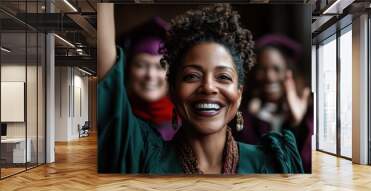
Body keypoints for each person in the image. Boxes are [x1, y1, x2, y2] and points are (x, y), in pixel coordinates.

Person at [97, 4, 304, 174]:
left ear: (239, 94)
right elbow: (109, 86)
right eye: (191, 76)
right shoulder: (142, 154)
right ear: (173, 90)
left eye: (223, 77)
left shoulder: (272, 163)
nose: (208, 87)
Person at [232, 34, 313, 173]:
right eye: (263, 69)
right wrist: (249, 118)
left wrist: (297, 124)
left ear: (289, 73)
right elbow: (242, 162)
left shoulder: (308, 110)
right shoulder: (242, 110)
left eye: (276, 69)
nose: (270, 77)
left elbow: (306, 164)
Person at [98, 5, 176, 141]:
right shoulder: (117, 117)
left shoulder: (187, 122)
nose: (150, 75)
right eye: (141, 65)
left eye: (160, 66)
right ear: (129, 69)